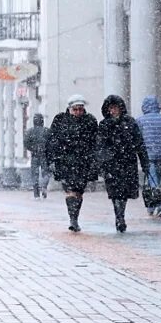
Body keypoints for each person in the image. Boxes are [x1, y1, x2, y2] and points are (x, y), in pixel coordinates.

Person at [98, 95, 150, 233]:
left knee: (124, 192)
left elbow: (139, 143)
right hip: (111, 164)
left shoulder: (130, 122)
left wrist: (145, 162)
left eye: (115, 108)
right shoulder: (104, 125)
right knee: (115, 192)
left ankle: (120, 215)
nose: (113, 111)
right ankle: (119, 217)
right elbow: (100, 146)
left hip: (127, 162)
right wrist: (101, 164)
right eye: (111, 108)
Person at [46, 94, 98, 232]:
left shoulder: (90, 121)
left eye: (80, 109)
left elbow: (95, 142)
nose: (78, 112)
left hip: (83, 162)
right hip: (65, 162)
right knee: (69, 190)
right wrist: (52, 159)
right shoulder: (60, 120)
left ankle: (75, 217)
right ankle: (73, 219)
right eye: (75, 109)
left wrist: (95, 161)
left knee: (79, 192)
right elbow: (52, 140)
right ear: (69, 109)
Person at [137, 95, 161, 217]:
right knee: (155, 177)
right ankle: (151, 205)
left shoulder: (140, 121)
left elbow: (138, 139)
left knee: (152, 181)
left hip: (148, 154)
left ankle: (159, 204)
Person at [23, 113, 50, 199]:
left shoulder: (30, 131)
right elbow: (51, 143)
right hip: (44, 155)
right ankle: (44, 186)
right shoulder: (47, 131)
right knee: (46, 172)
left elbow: (26, 143)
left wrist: (33, 149)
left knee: (34, 174)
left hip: (34, 155)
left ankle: (36, 193)